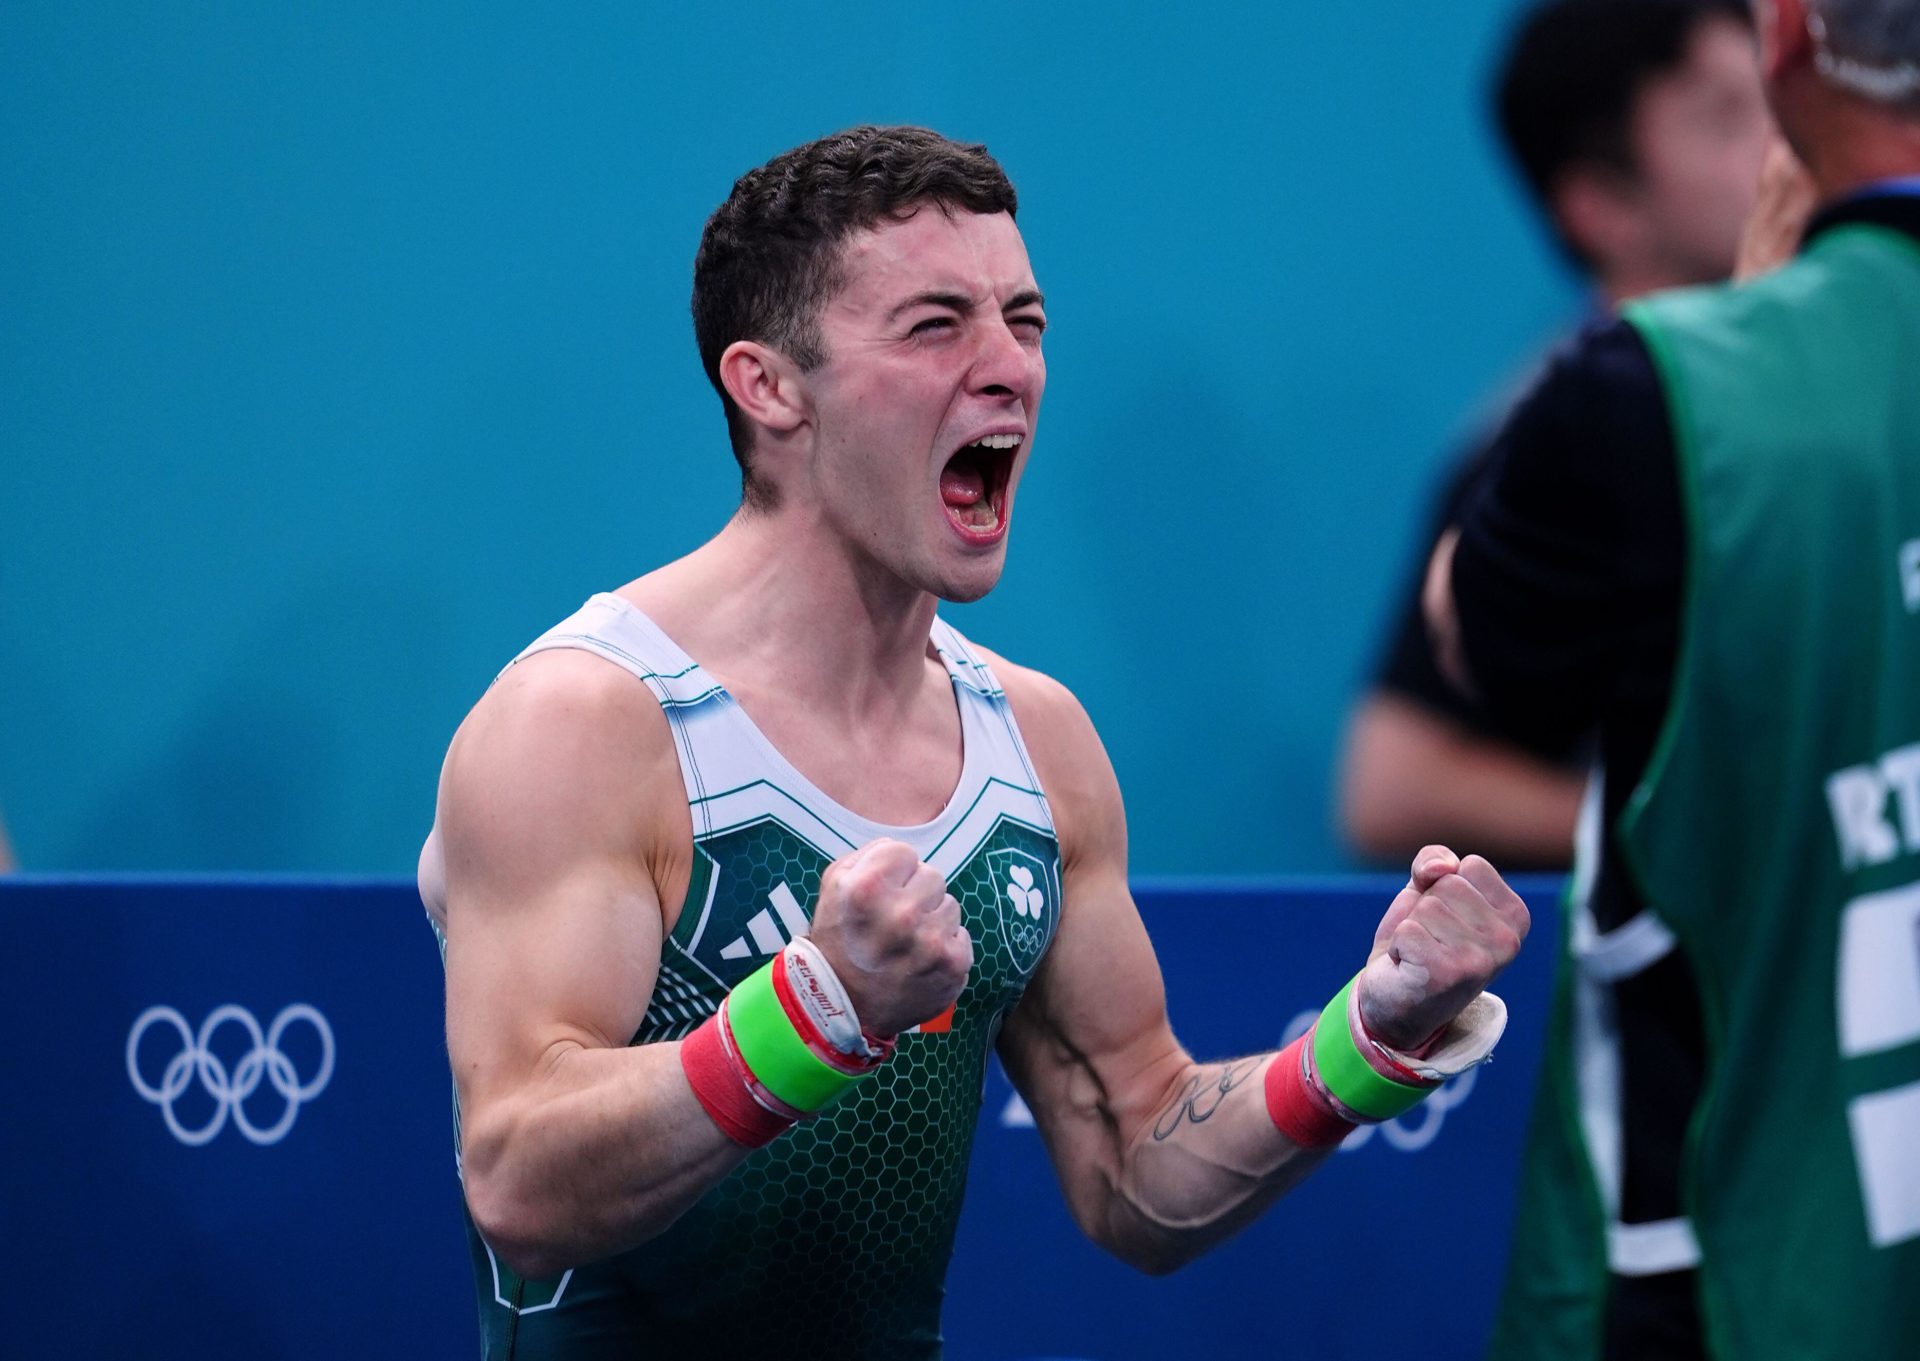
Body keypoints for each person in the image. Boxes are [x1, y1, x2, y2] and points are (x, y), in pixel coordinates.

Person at [417, 126, 1530, 1358]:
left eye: (1026, 320)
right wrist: (816, 1010)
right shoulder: (585, 720)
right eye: (937, 325)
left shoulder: (1036, 744)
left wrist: (1370, 1036)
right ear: (768, 385)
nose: (1010, 368)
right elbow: (517, 1177)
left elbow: (1137, 1159)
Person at [1426, 1, 1920, 1355]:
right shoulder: (1593, 412)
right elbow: (1398, 763)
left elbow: (1480, 640)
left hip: (1749, 1264)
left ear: (1789, 42)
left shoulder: (1652, 402)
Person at [1338, 0, 1770, 869]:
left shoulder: (1813, 393)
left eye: (1772, 100)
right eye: (1724, 119)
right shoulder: (1554, 438)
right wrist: (1682, 829)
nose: (1778, 149)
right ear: (1600, 204)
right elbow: (1387, 784)